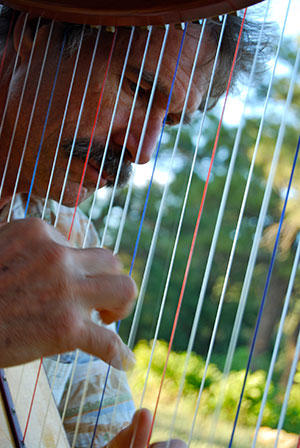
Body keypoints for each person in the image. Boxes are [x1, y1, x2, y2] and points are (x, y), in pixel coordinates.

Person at [0, 5, 269, 447]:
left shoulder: (70, 240)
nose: (144, 149)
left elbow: (98, 430)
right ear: (33, 31)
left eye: (171, 120)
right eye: (138, 87)